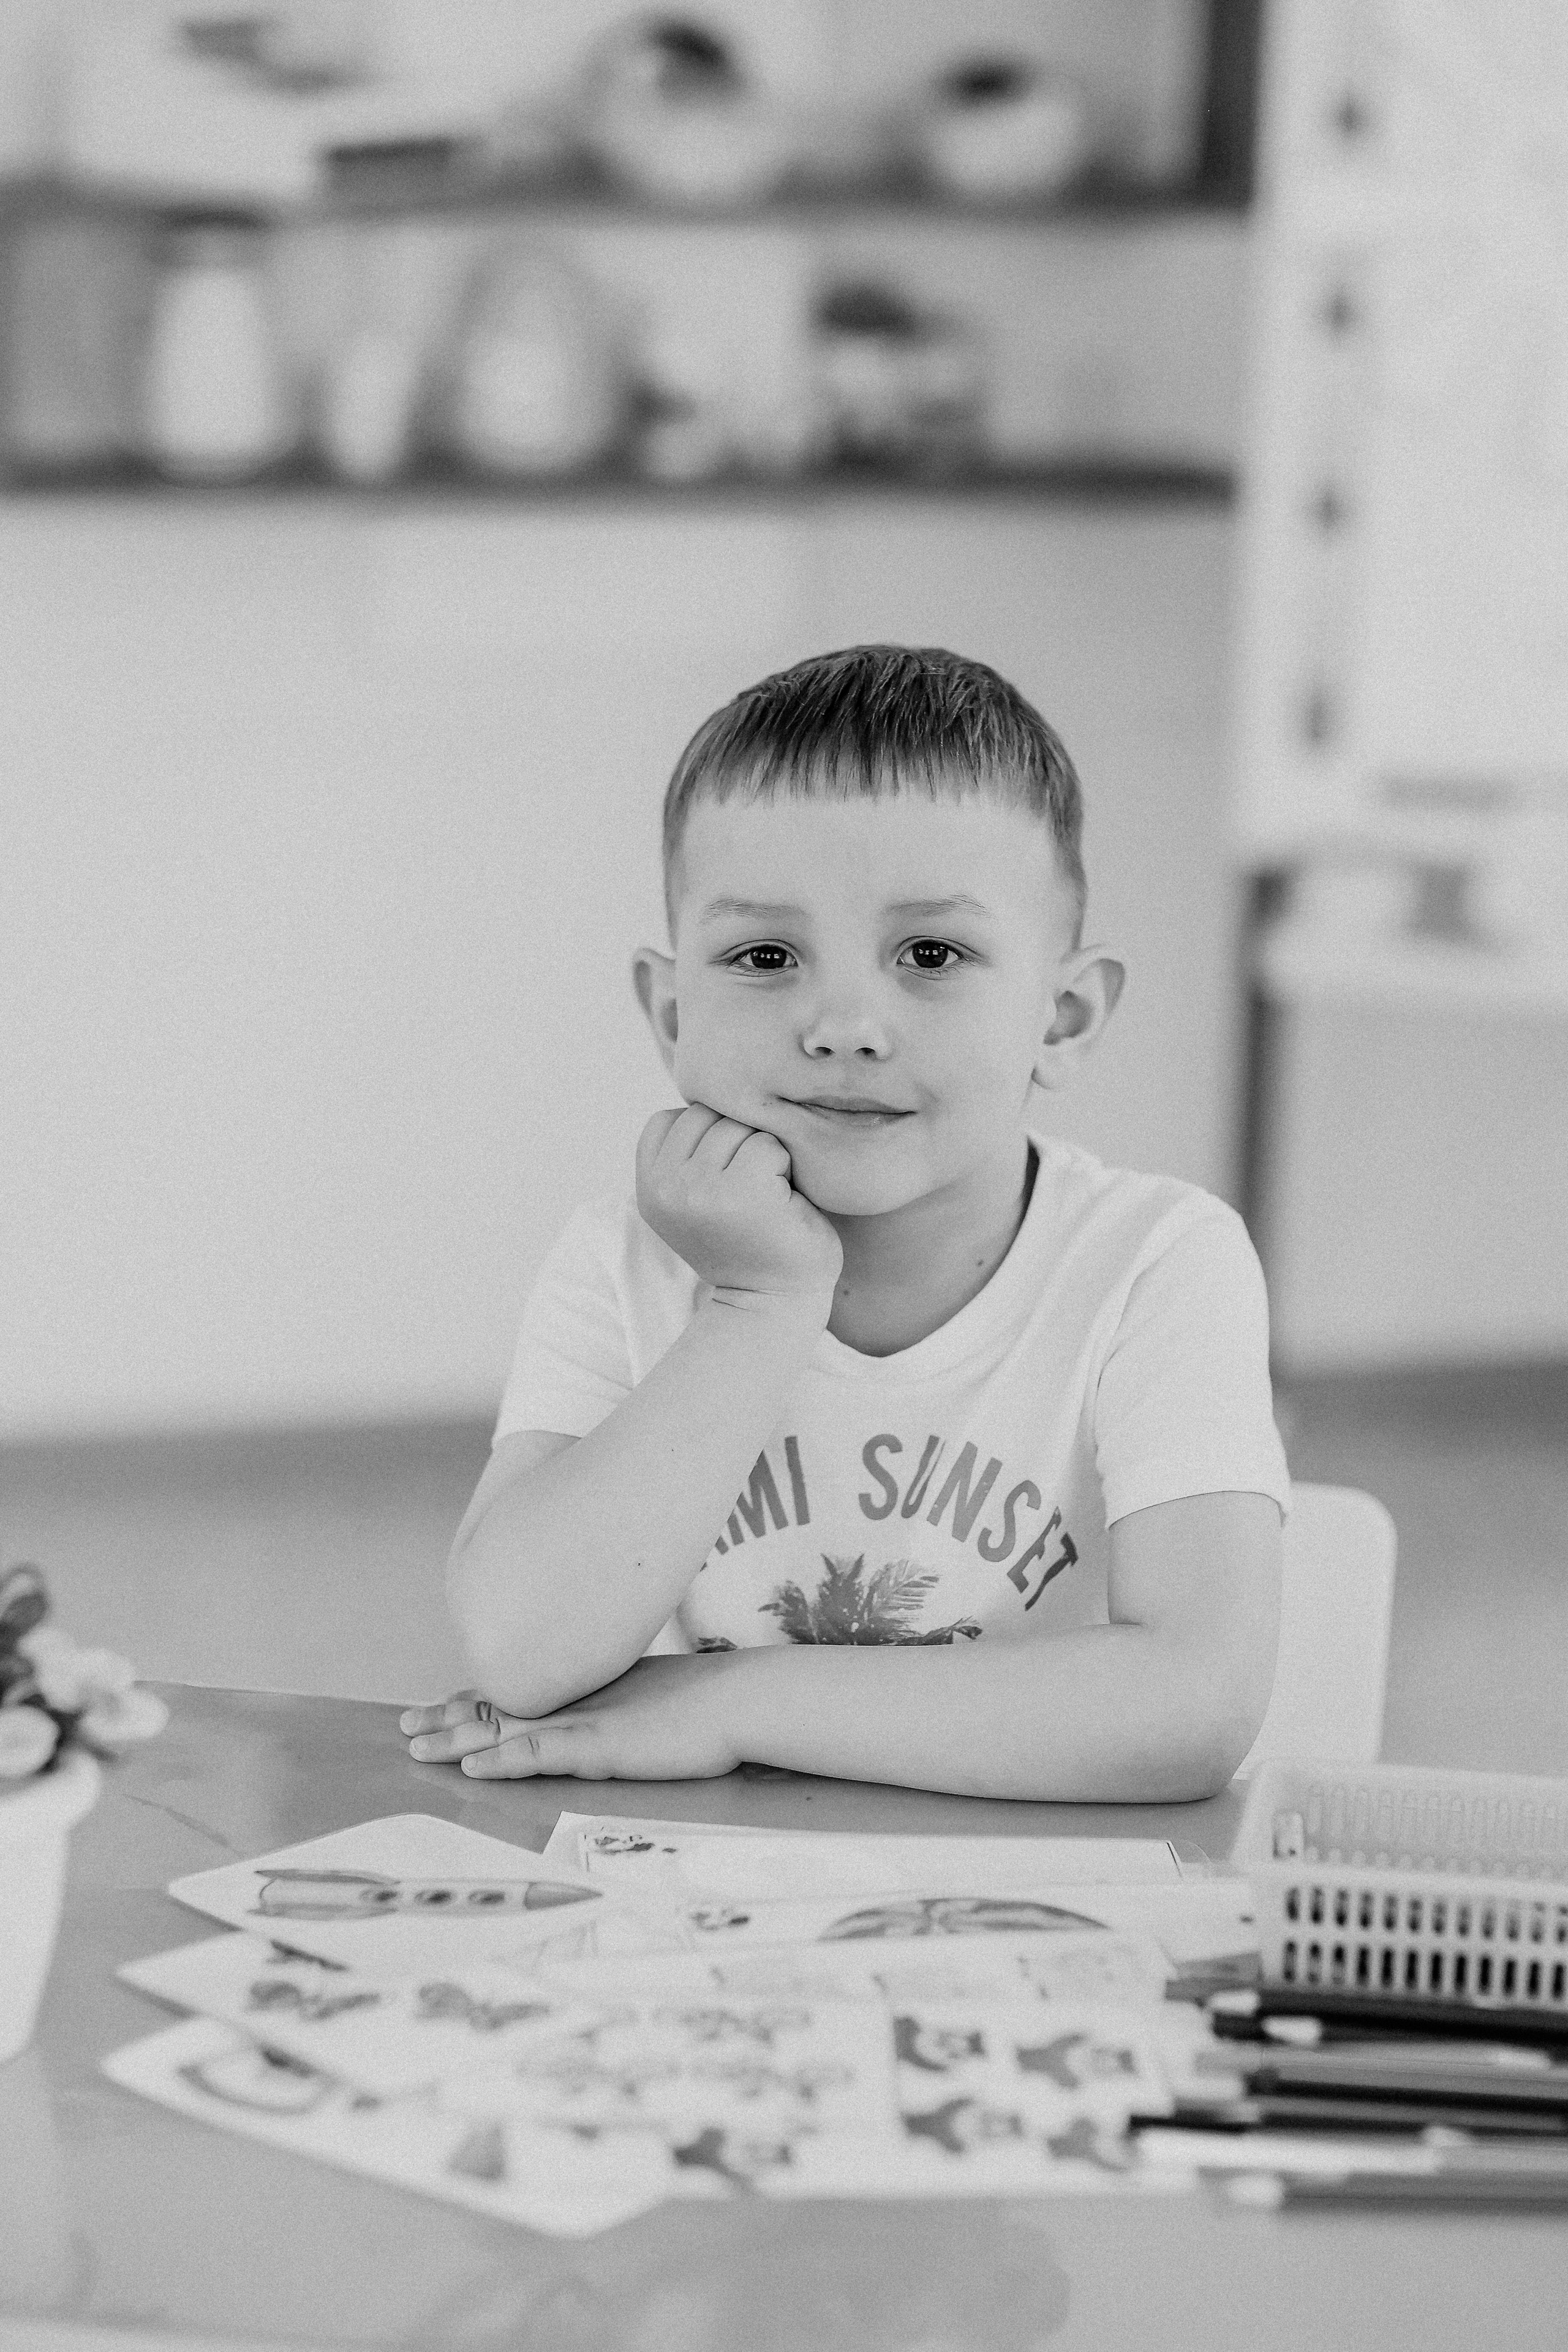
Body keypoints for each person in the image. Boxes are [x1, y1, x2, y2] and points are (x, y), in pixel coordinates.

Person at [401, 644, 1288, 1800]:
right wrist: (757, 1305)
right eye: (764, 956)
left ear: (1062, 1019)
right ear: (672, 1011)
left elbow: (1192, 1708)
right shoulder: (618, 1263)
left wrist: (733, 1708)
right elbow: (521, 1655)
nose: (845, 1024)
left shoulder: (1160, 1260)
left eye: (932, 954)